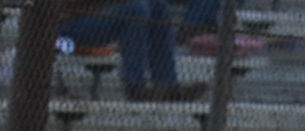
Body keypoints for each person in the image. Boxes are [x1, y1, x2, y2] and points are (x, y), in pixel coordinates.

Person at [57, 0, 205, 101]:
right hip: (66, 28)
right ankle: (135, 86)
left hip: (98, 14)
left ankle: (167, 85)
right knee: (136, 9)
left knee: (157, 4)